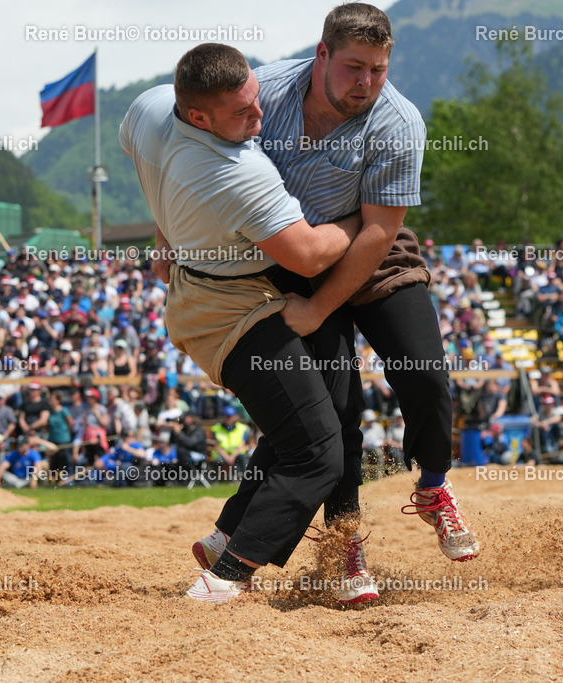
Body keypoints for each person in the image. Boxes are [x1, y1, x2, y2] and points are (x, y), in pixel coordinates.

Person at [190, 4, 478, 591]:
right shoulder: (263, 93)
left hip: (372, 249)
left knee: (424, 372)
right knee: (335, 413)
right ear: (321, 55)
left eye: (378, 69)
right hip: (291, 260)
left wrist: (321, 309)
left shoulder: (399, 122)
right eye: (353, 67)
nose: (366, 82)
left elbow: (377, 232)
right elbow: (194, 152)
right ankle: (346, 546)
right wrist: (174, 230)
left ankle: (434, 485)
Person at [120, 42, 363, 602]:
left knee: (308, 424)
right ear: (199, 116)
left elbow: (142, 157)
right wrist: (367, 218)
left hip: (226, 291)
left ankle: (226, 535)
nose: (260, 119)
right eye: (243, 113)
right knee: (317, 452)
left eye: (256, 100)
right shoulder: (237, 171)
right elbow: (307, 254)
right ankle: (226, 576)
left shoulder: (152, 106)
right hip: (226, 312)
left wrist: (167, 226)